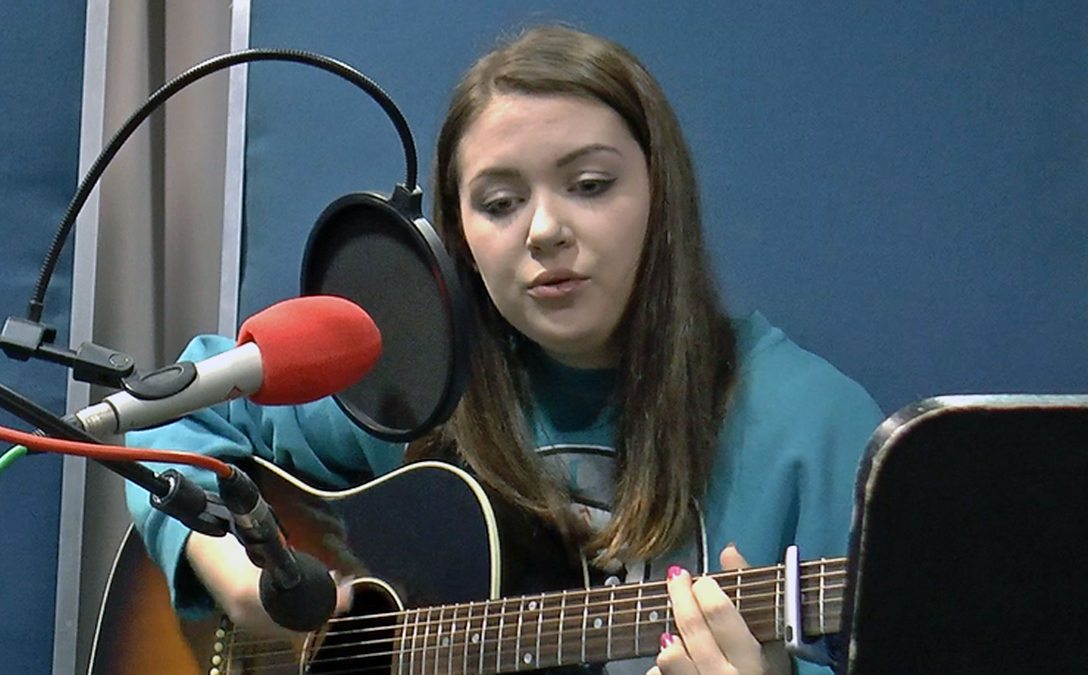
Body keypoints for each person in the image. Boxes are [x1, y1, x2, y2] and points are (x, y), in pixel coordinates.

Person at [126, 24, 884, 675]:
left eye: (590, 184)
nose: (545, 230)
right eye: (499, 202)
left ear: (662, 198)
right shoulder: (412, 387)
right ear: (459, 235)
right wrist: (242, 580)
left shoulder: (810, 428)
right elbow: (171, 416)